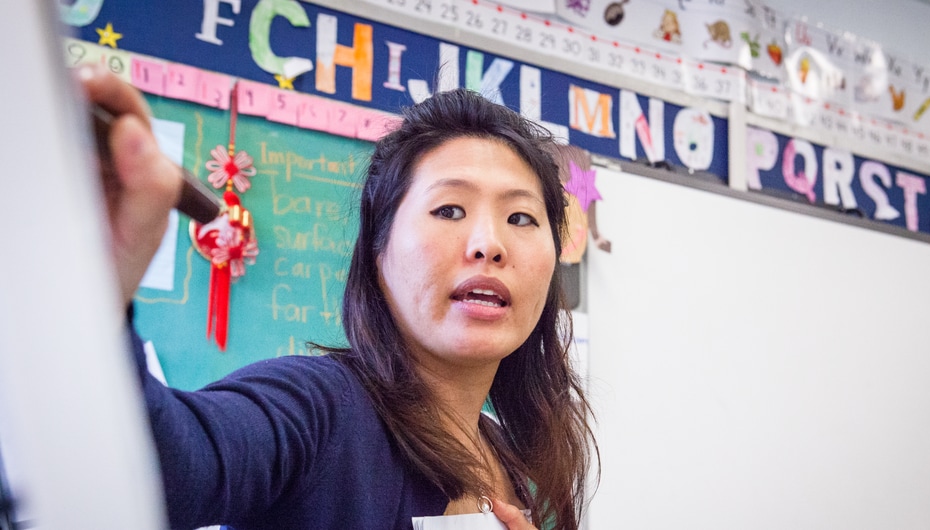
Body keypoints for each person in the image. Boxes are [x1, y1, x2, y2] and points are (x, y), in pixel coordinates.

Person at [79, 63, 598, 530]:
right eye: (449, 210)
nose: (490, 244)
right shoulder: (319, 409)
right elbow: (157, 471)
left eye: (521, 218)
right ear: (379, 253)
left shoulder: (507, 456)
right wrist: (89, 281)